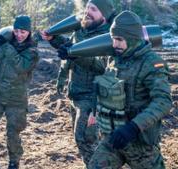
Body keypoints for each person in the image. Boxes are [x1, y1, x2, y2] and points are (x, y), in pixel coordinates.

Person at [88, 11, 172, 169]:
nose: (114, 44)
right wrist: (70, 53)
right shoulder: (115, 58)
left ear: (133, 38)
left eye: (119, 39)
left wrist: (133, 127)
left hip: (140, 144)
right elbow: (95, 68)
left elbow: (163, 101)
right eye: (113, 39)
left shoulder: (152, 63)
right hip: (113, 138)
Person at [40, 0, 116, 167]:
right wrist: (54, 39)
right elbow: (70, 47)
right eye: (87, 7)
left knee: (85, 139)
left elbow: (102, 68)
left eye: (93, 9)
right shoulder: (83, 28)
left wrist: (74, 54)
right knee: (84, 141)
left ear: (103, 15)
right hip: (75, 93)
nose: (87, 11)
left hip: (92, 97)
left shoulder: (108, 38)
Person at [0, 15, 39, 169]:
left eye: (23, 32)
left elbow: (21, 67)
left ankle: (14, 164)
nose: (19, 35)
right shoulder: (6, 44)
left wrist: (5, 47)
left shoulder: (32, 51)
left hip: (16, 100)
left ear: (29, 33)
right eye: (17, 31)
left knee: (13, 137)